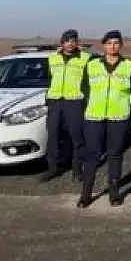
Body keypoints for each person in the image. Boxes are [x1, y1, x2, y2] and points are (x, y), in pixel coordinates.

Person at [77, 30, 131, 208]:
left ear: (121, 45)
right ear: (103, 45)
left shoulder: (129, 65)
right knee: (92, 156)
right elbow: (85, 90)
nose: (113, 46)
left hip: (118, 117)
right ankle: (86, 195)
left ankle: (114, 193)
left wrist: (130, 117)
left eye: (116, 43)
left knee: (115, 155)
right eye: (109, 43)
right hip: (94, 117)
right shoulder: (92, 65)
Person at [40, 29, 92, 183]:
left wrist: (86, 100)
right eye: (67, 40)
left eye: (73, 40)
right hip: (55, 102)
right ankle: (53, 168)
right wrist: (48, 100)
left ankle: (77, 169)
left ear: (77, 43)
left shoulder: (86, 58)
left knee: (77, 137)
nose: (70, 43)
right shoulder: (52, 58)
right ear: (62, 43)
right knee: (53, 136)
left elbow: (88, 83)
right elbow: (50, 80)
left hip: (75, 102)